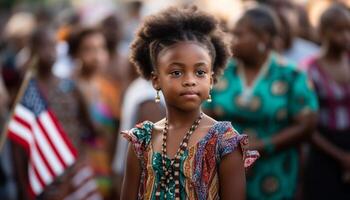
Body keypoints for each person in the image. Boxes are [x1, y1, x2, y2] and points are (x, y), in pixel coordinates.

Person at [120, 6, 259, 200]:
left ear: (211, 80)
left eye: (200, 72)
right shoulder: (140, 141)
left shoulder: (224, 142)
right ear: (156, 80)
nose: (190, 80)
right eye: (176, 72)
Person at [204, 6, 318, 200]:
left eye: (239, 34)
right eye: (230, 34)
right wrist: (228, 149)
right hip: (225, 166)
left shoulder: (291, 75)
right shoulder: (221, 72)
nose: (231, 40)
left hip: (275, 169)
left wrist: (261, 146)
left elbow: (307, 125)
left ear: (263, 38)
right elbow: (204, 115)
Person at [304, 4, 350, 199]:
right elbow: (306, 125)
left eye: (348, 29)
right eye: (339, 30)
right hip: (324, 148)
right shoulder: (309, 70)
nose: (346, 36)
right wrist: (341, 157)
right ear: (322, 32)